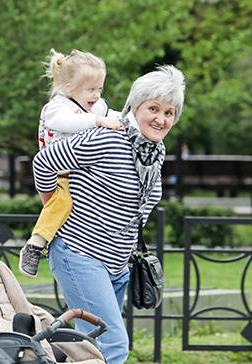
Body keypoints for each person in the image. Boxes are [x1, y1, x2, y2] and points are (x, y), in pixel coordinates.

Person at [33, 65, 185, 363]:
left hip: (117, 262)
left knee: (89, 345)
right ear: (134, 106)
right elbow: (44, 162)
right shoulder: (109, 138)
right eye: (153, 108)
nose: (161, 118)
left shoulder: (155, 151)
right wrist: (53, 205)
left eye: (169, 113)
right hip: (79, 253)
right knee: (113, 344)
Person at [19, 49, 122, 279]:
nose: (96, 95)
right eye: (91, 89)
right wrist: (98, 121)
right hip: (58, 172)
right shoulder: (57, 107)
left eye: (99, 88)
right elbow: (68, 122)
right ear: (69, 88)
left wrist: (126, 121)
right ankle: (36, 244)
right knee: (62, 202)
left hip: (78, 171)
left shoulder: (91, 106)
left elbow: (112, 113)